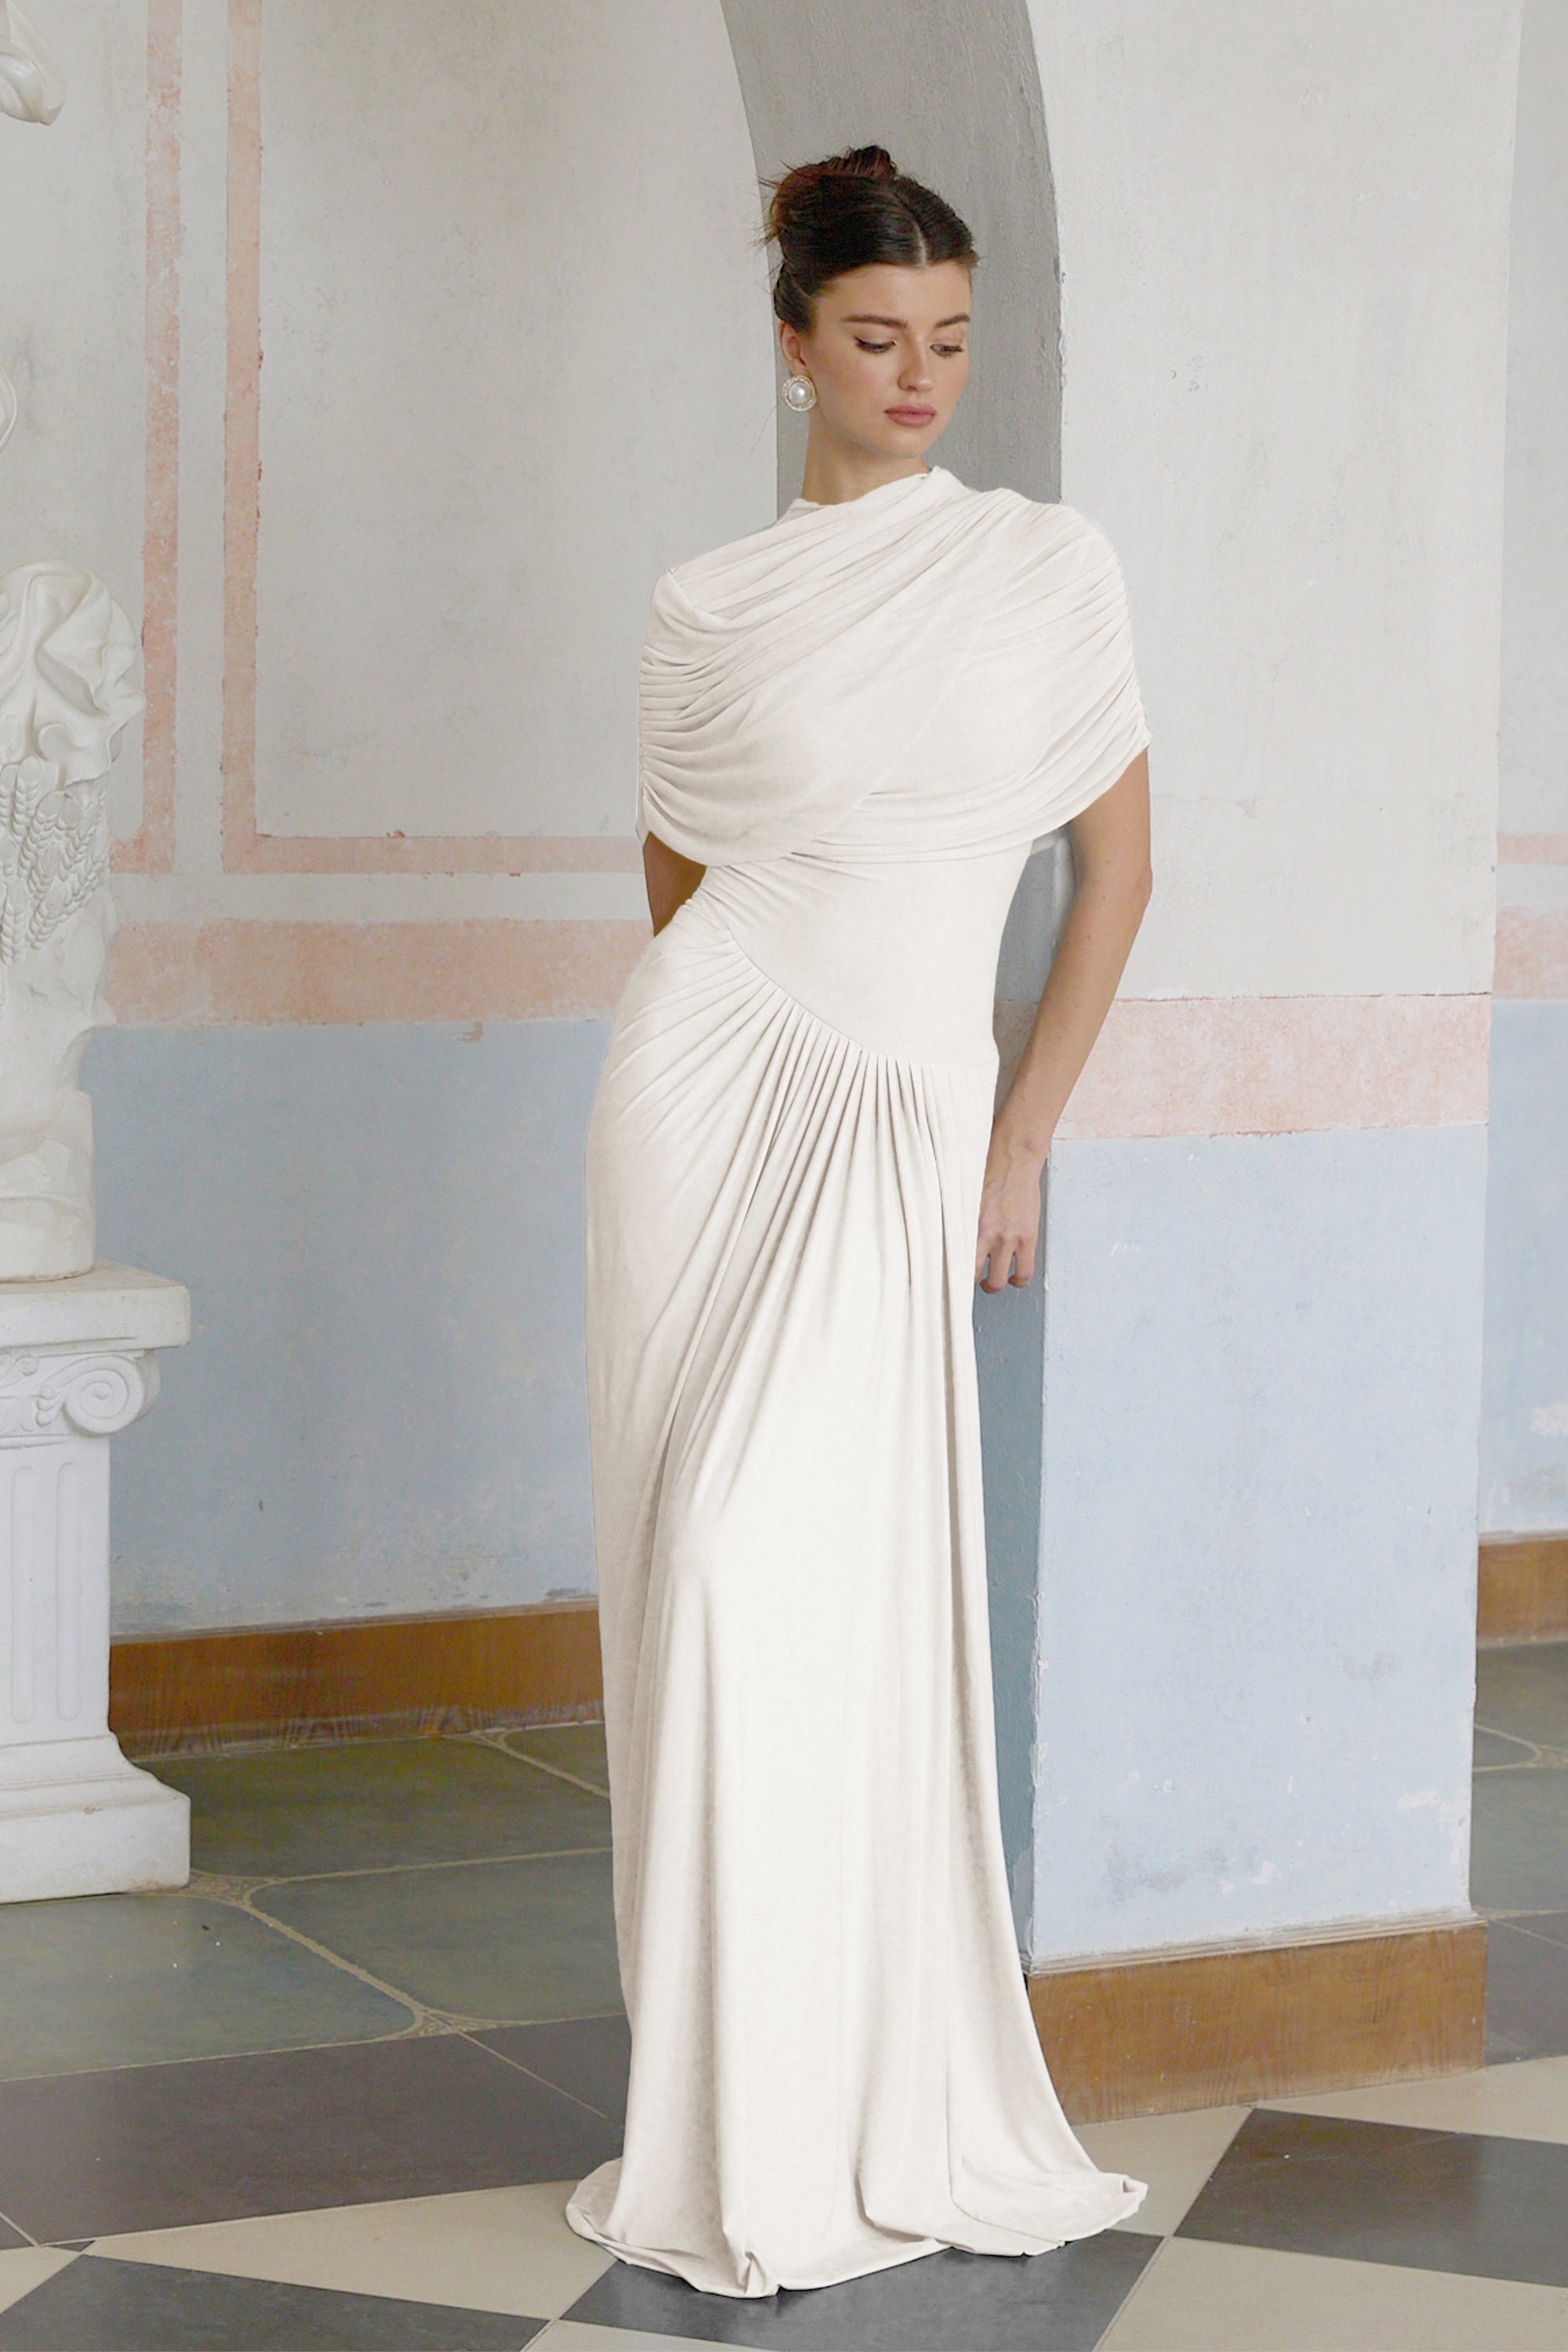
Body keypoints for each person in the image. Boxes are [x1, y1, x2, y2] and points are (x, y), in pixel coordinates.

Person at [565, 143, 1152, 2301]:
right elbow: (683, 890)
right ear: (794, 342)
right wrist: (757, 1048)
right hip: (705, 1091)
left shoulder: (1045, 568)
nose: (920, 379)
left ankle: (847, 2101)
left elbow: (1116, 876)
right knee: (699, 1582)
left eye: (951, 342)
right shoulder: (707, 606)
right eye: (879, 338)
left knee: (790, 1581)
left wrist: (1018, 1138)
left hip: (915, 1112)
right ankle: (731, 2116)